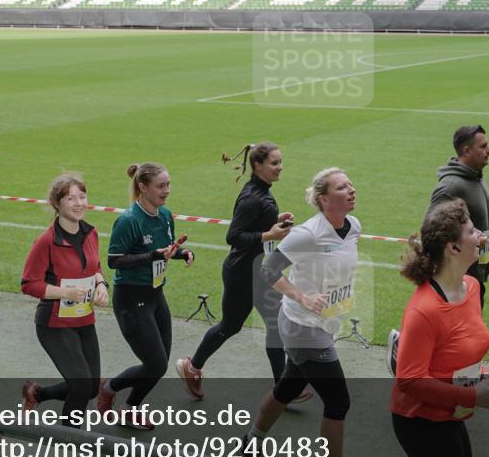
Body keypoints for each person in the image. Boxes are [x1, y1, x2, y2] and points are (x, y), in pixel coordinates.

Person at [243, 168, 361, 457]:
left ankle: (251, 442)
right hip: (303, 327)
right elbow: (268, 271)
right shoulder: (307, 234)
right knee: (338, 402)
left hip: (324, 323)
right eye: (341, 187)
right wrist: (303, 297)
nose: (351, 190)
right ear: (324, 199)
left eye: (350, 184)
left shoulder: (353, 227)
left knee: (288, 388)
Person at [175, 142, 311, 404]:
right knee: (232, 325)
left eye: (280, 162)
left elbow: (253, 226)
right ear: (258, 165)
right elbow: (234, 236)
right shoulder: (253, 197)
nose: (280, 167)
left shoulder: (261, 192)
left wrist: (273, 222)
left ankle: (283, 387)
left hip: (257, 271)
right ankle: (191, 367)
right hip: (242, 274)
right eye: (274, 163)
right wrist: (269, 234)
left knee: (272, 324)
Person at [390, 199, 489, 457]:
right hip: (420, 421)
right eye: (472, 231)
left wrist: (481, 375)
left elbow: (462, 348)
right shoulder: (423, 310)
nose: (480, 236)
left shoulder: (472, 287)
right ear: (453, 248)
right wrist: (473, 396)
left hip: (451, 412)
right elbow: (409, 380)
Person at [97, 163, 194, 430]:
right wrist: (151, 256)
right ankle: (107, 388)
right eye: (161, 186)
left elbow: (165, 249)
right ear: (143, 187)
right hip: (131, 299)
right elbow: (114, 260)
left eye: (168, 184)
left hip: (156, 296)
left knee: (159, 364)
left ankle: (130, 410)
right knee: (156, 364)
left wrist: (182, 253)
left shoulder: (165, 215)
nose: (167, 190)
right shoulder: (129, 220)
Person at [20, 174, 109, 425]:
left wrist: (101, 284)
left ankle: (36, 394)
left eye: (82, 197)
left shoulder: (91, 233)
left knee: (90, 388)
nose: (79, 203)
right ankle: (70, 439)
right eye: (71, 198)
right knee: (80, 387)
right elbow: (29, 284)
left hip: (84, 319)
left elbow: (95, 266)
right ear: (57, 204)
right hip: (54, 324)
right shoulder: (46, 241)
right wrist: (64, 293)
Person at [427, 125, 489, 309]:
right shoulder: (451, 187)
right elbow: (430, 232)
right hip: (460, 282)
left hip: (476, 275)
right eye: (483, 146)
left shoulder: (476, 176)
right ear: (467, 150)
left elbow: (464, 221)